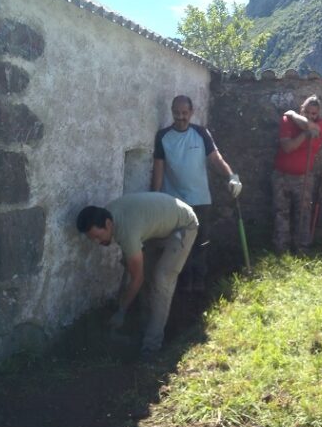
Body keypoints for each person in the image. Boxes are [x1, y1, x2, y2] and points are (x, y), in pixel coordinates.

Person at [76, 192, 198, 355]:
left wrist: (121, 311)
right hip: (160, 226)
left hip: (184, 225)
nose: (97, 242)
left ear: (108, 224)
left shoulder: (126, 232)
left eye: (98, 237)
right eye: (93, 239)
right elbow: (137, 272)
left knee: (161, 279)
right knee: (144, 272)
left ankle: (152, 346)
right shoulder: (108, 216)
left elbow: (136, 278)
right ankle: (145, 325)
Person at [152, 95, 241, 292]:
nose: (181, 117)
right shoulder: (163, 137)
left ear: (192, 112)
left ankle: (199, 286)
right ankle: (181, 286)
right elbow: (159, 169)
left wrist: (231, 176)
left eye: (185, 113)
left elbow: (216, 159)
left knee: (201, 243)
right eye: (176, 113)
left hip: (200, 200)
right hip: (174, 202)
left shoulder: (201, 133)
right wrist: (154, 198)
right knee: (178, 245)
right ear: (172, 112)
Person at [272, 95, 322, 253]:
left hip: (304, 176)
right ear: (302, 110)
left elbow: (313, 128)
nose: (311, 116)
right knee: (281, 212)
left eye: (314, 114)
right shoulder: (287, 122)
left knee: (303, 214)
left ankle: (302, 249)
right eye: (308, 112)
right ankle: (281, 249)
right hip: (281, 175)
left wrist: (292, 114)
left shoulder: (321, 125)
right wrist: (304, 133)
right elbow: (288, 147)